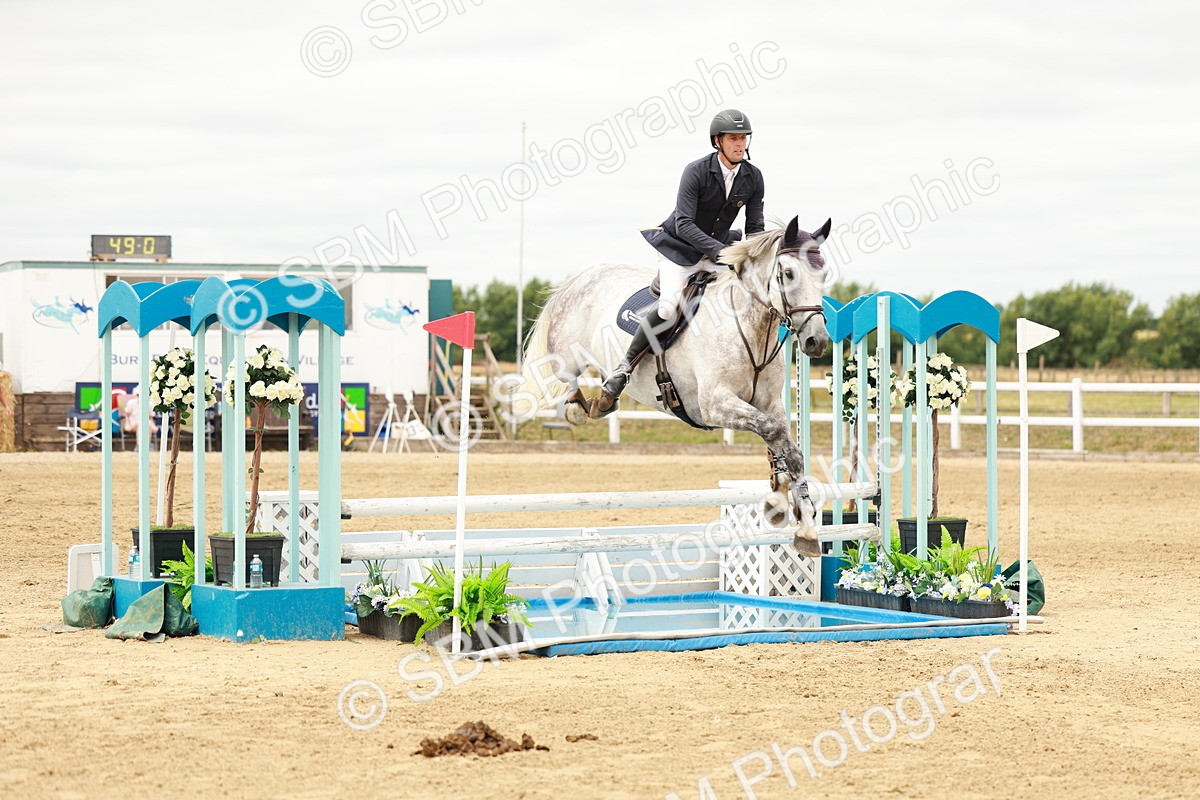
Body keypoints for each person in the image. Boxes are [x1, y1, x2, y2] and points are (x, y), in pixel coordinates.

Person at [591, 109, 765, 417]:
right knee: (669, 307)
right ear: (718, 141)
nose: (740, 144)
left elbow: (755, 228)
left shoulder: (753, 177)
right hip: (679, 251)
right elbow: (684, 223)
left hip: (719, 250)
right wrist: (720, 252)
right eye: (734, 138)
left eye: (743, 138)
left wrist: (754, 261)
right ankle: (623, 370)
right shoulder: (696, 172)